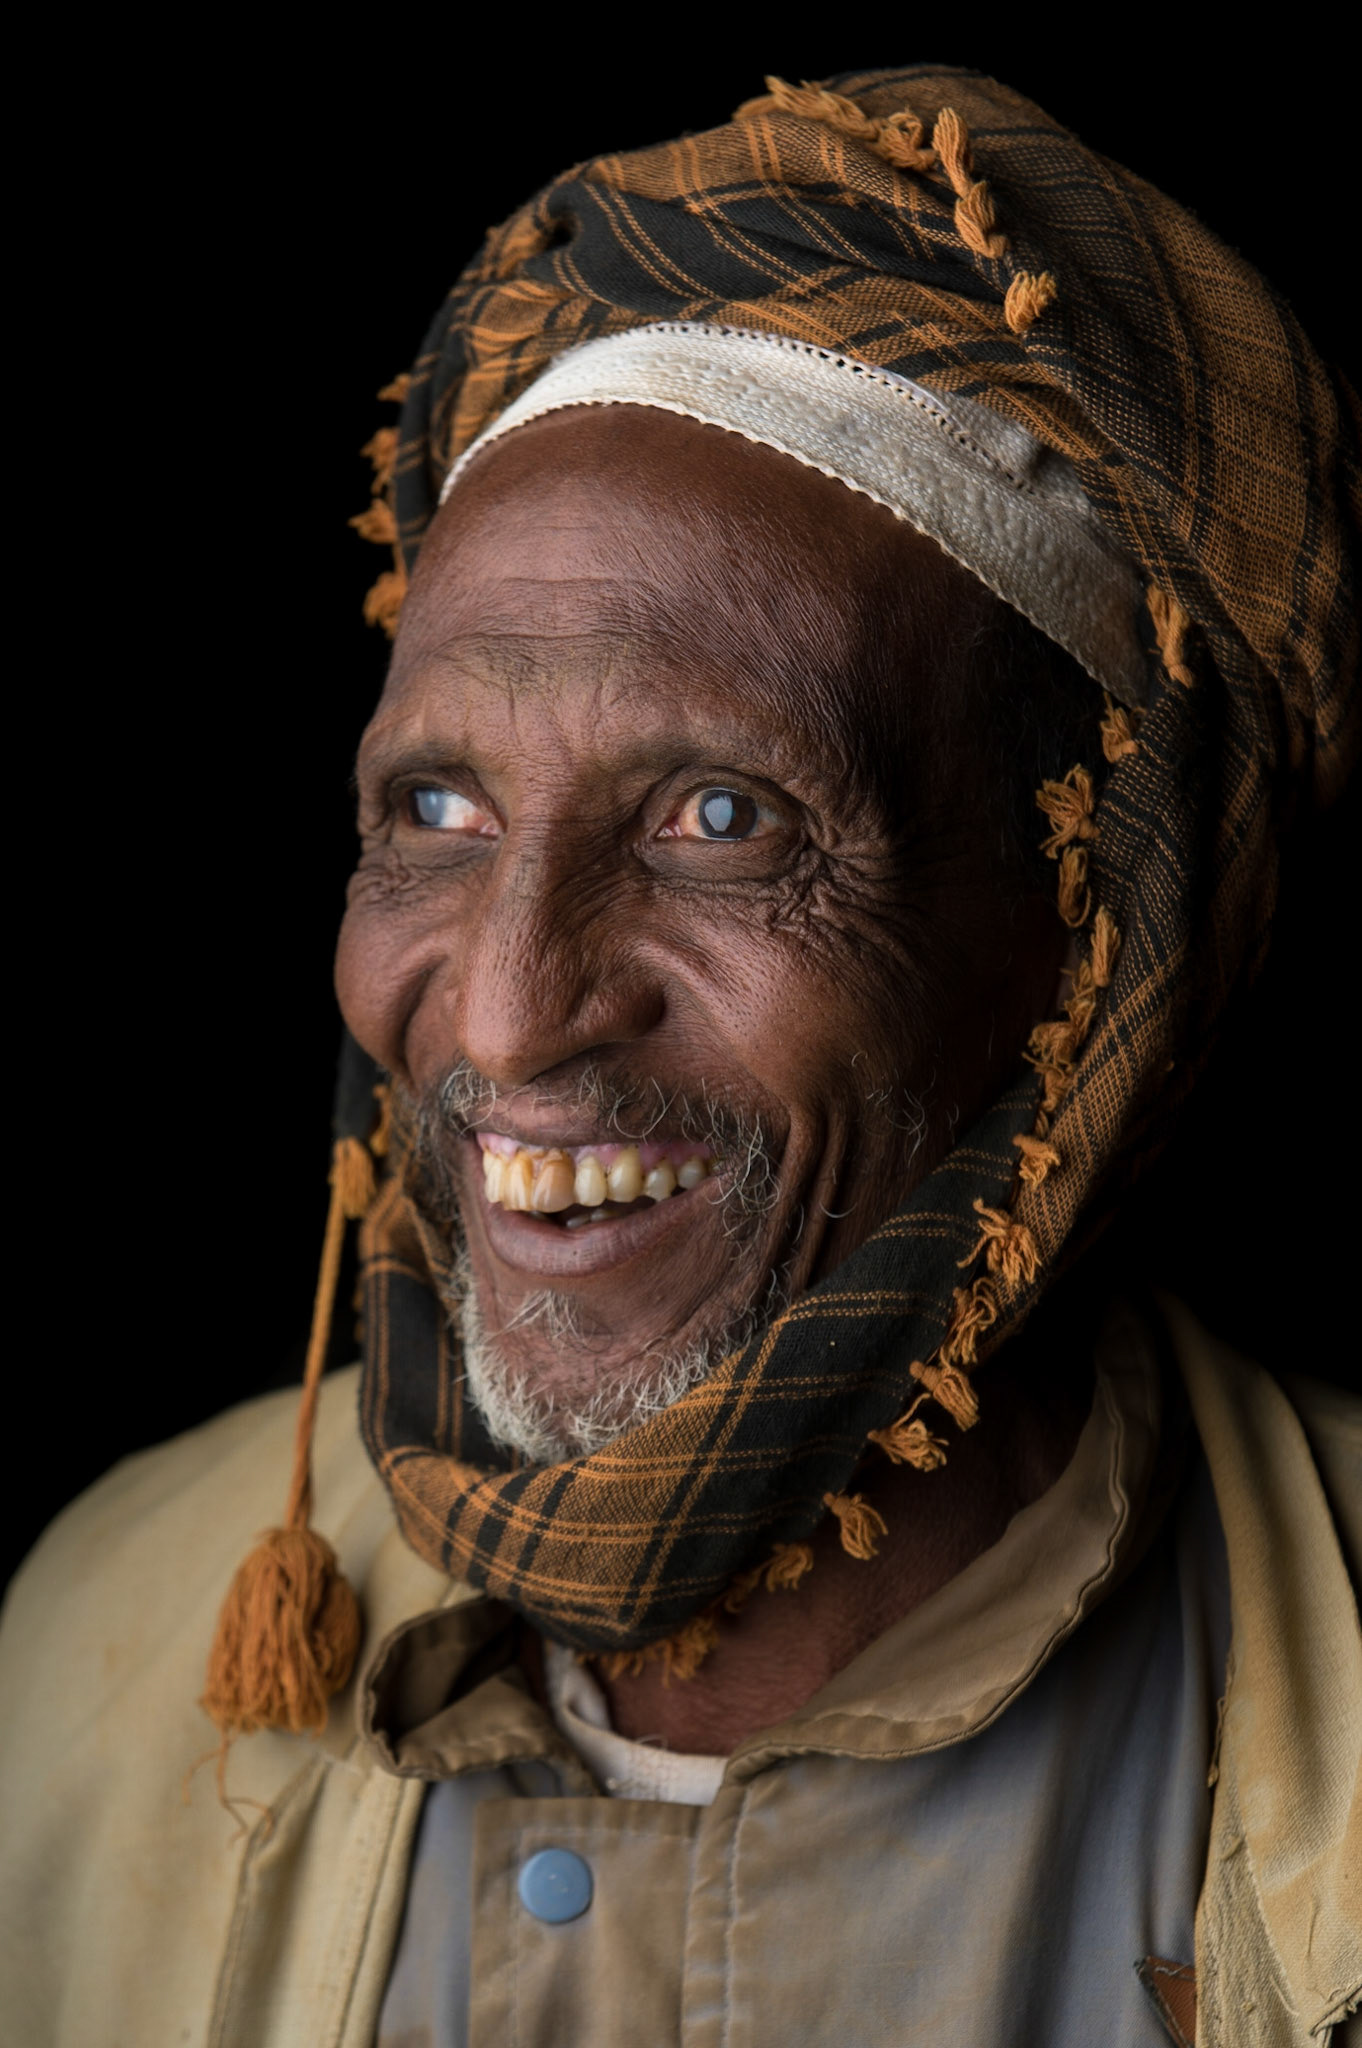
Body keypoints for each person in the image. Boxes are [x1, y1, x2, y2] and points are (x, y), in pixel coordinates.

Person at [2, 63, 1358, 2048]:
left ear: (1096, 938)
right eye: (438, 811)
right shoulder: (89, 1650)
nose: (499, 1012)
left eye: (723, 820)